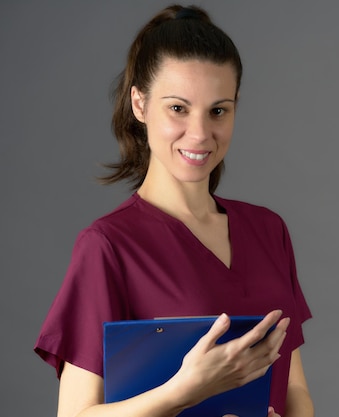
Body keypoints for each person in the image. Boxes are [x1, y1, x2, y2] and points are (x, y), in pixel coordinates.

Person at [34, 5, 314, 417]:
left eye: (218, 110)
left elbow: (295, 391)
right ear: (140, 104)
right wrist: (184, 390)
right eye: (178, 108)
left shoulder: (268, 231)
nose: (200, 133)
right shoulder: (109, 246)